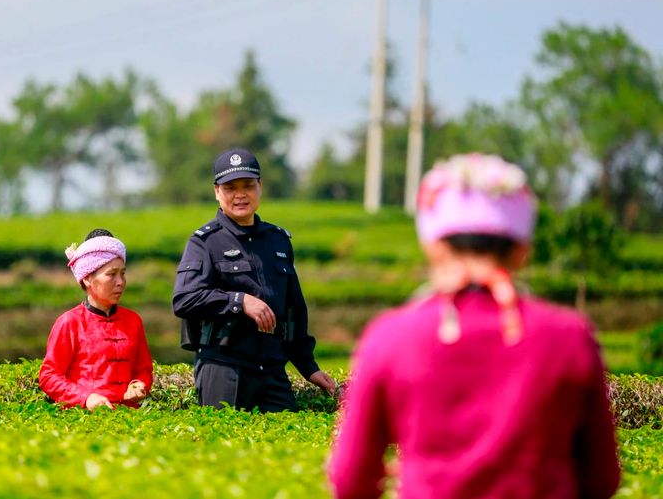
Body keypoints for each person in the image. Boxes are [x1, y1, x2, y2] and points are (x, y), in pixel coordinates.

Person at [328, 154, 620, 499]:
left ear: (433, 245)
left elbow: (350, 481)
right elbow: (602, 478)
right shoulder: (570, 336)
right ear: (521, 250)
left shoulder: (390, 337)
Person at [172, 148, 335, 412]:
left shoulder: (278, 240)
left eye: (248, 185)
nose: (240, 195)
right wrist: (240, 301)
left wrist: (308, 367)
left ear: (260, 187)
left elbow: (293, 310)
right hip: (224, 367)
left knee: (286, 446)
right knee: (223, 448)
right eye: (230, 187)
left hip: (271, 370)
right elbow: (184, 299)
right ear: (217, 192)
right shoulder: (205, 241)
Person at [39, 228, 153, 410]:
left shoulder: (133, 321)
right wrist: (86, 398)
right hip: (82, 420)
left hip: (130, 419)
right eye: (111, 274)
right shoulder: (70, 322)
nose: (121, 281)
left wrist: (139, 384)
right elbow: (49, 375)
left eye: (123, 273)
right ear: (87, 278)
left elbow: (143, 369)